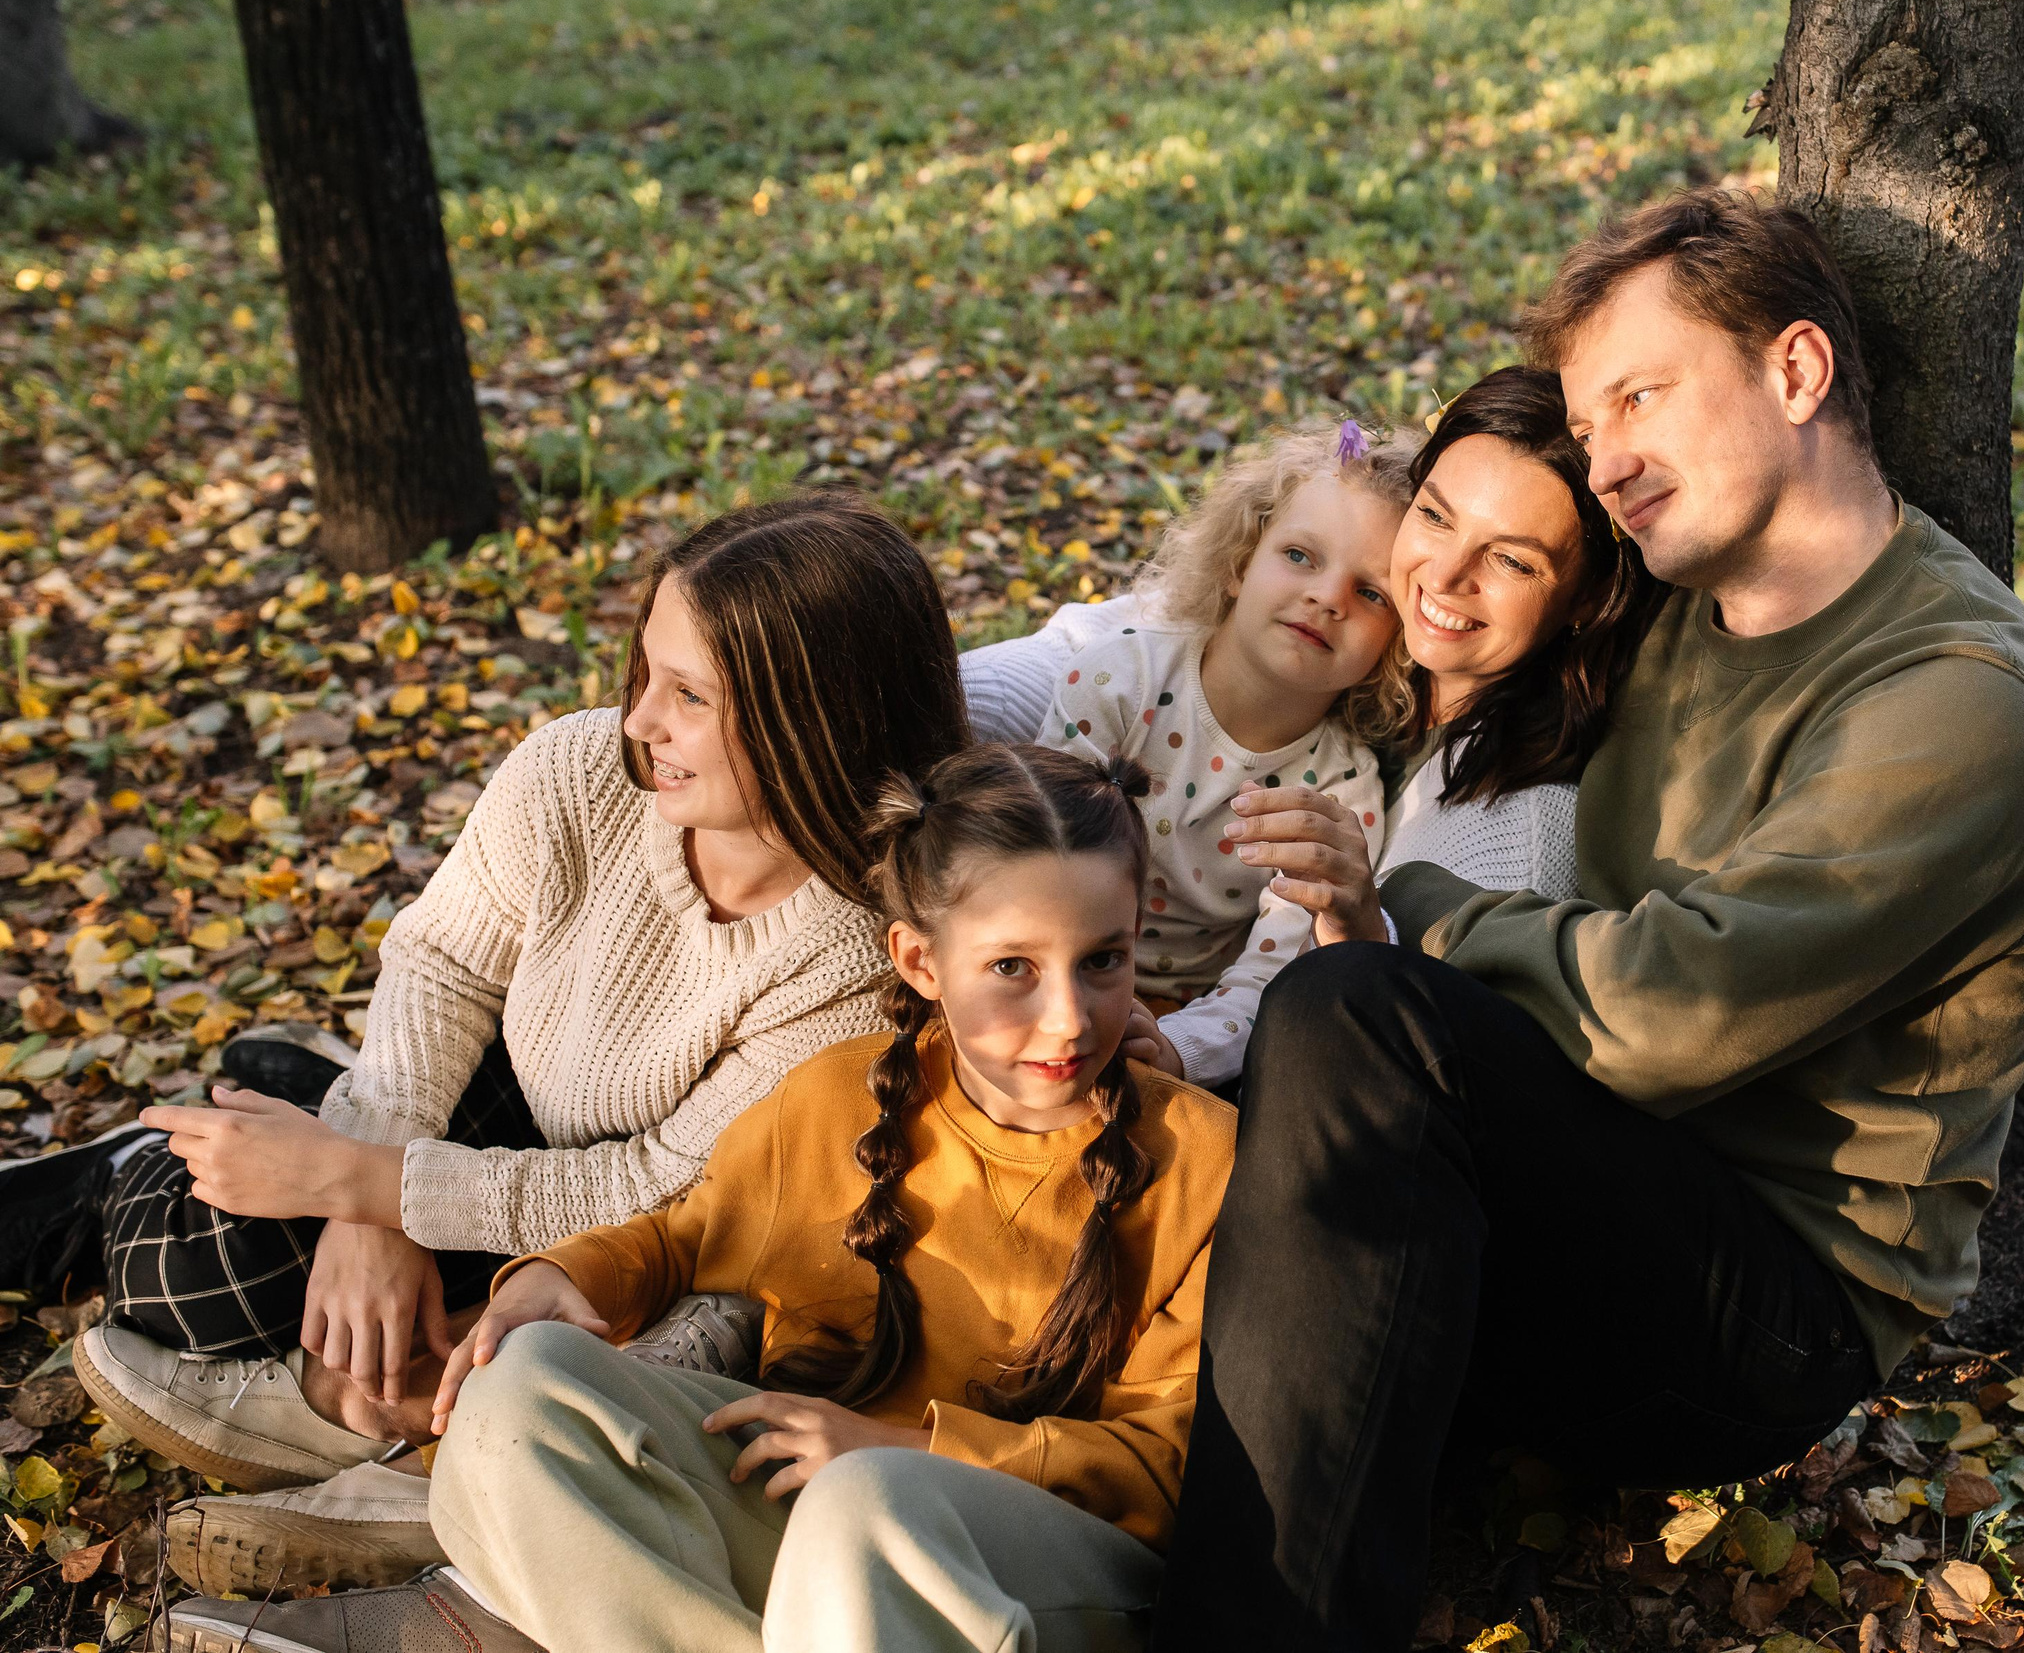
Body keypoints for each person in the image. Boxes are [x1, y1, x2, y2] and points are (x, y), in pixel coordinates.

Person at [1151, 187, 2024, 1649]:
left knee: (1356, 1015)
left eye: (1641, 397)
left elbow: (1667, 1011)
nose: (1613, 461)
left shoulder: (1962, 699)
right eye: (1594, 426)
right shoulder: (1669, 596)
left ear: (1796, 372)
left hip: (1772, 1298)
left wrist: (1401, 899)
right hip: (1590, 1162)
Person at [69, 491, 968, 1592]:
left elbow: (668, 1189)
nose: (641, 721)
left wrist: (376, 1186)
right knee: (178, 1236)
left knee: (693, 1334)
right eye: (646, 674)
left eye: (688, 696)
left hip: (679, 1237)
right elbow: (444, 961)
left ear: (814, 722)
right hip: (524, 1108)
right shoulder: (577, 770)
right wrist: (375, 1186)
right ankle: (358, 1301)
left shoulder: (858, 944)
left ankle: (407, 1421)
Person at [158, 743, 1239, 1653]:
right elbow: (681, 1235)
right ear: (918, 959)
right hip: (810, 1513)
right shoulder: (840, 1099)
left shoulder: (1205, 1159)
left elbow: (1162, 1467)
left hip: (1035, 1564)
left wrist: (904, 1452)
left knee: (868, 1508)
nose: (1068, 1018)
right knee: (520, 1386)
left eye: (1104, 962)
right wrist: (562, 1275)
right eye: (1014, 968)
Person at [961, 418, 1410, 1088]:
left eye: (1371, 592)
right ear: (1238, 565)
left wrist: (1179, 1048)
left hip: (1190, 1021)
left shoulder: (1340, 792)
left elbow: (1275, 972)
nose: (1326, 597)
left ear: (1395, 646)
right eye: (1299, 556)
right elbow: (1031, 862)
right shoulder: (1121, 683)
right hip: (1046, 979)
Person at [1223, 365, 1668, 944]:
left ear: (1589, 595)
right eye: (1435, 516)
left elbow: (1412, 1022)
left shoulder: (1518, 838)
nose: (1446, 576)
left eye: (1511, 560)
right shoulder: (1358, 629)